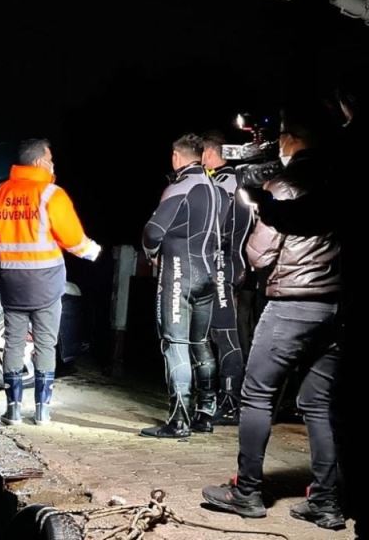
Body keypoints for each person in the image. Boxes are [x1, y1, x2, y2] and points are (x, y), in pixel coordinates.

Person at [202, 109, 345, 530]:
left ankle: (246, 492)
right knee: (319, 404)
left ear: (290, 141)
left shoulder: (285, 185)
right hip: (336, 308)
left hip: (292, 305)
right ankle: (327, 502)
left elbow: (260, 254)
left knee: (257, 394)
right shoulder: (342, 182)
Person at [0, 138, 101, 425]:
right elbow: (72, 239)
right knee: (46, 343)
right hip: (46, 282)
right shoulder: (51, 194)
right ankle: (42, 412)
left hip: (11, 281)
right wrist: (93, 251)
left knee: (13, 342)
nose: (53, 163)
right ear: (38, 162)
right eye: (50, 158)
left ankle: (12, 411)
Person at [141, 134, 225, 438]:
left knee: (175, 344)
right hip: (210, 276)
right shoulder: (217, 189)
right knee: (201, 343)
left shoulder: (180, 186)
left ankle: (179, 420)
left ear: (177, 156)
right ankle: (206, 413)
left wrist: (152, 253)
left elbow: (153, 232)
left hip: (179, 274)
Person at [201, 130, 254, 425]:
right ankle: (221, 396)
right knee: (217, 332)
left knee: (225, 333)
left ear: (209, 153)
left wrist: (232, 261)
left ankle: (232, 401)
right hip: (224, 264)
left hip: (225, 264)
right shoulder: (226, 180)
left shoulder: (228, 181)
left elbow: (226, 227)